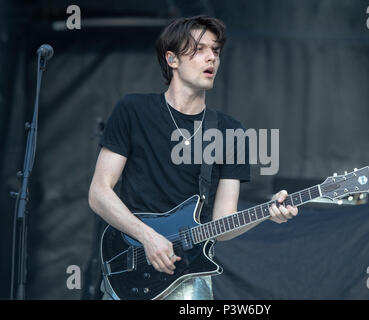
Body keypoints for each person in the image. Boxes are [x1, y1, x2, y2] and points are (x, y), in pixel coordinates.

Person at [88, 15, 298, 300]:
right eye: (200, 50)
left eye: (216, 51)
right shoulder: (133, 111)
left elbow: (223, 224)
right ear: (172, 59)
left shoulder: (230, 131)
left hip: (187, 281)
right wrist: (147, 237)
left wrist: (267, 212)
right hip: (130, 263)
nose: (211, 57)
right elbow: (99, 192)